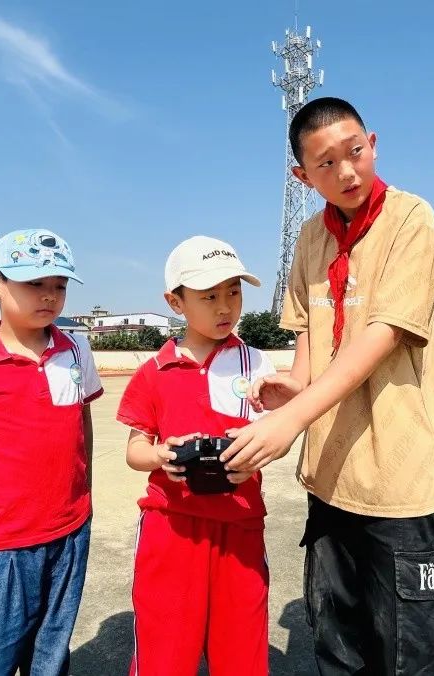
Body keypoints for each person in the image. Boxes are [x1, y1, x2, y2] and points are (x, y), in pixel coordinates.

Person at [221, 97, 434, 675]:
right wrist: (291, 391)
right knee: (340, 648)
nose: (347, 172)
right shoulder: (312, 236)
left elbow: (382, 333)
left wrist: (293, 418)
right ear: (301, 176)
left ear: (373, 143)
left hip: (403, 484)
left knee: (418, 654)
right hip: (331, 482)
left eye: (354, 152)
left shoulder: (410, 218)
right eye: (326, 164)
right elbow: (312, 329)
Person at [0, 229, 102, 675]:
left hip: (68, 535)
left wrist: (83, 500)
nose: (49, 296)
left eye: (60, 286)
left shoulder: (75, 352)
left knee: (48, 658)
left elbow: (81, 424)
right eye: (35, 284)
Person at [116, 236, 275, 676]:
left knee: (241, 646)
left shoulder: (256, 364)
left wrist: (252, 456)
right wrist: (160, 454)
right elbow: (135, 448)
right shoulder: (154, 371)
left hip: (240, 524)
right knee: (165, 648)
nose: (225, 307)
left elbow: (274, 437)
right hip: (172, 525)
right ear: (176, 302)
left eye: (234, 292)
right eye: (209, 297)